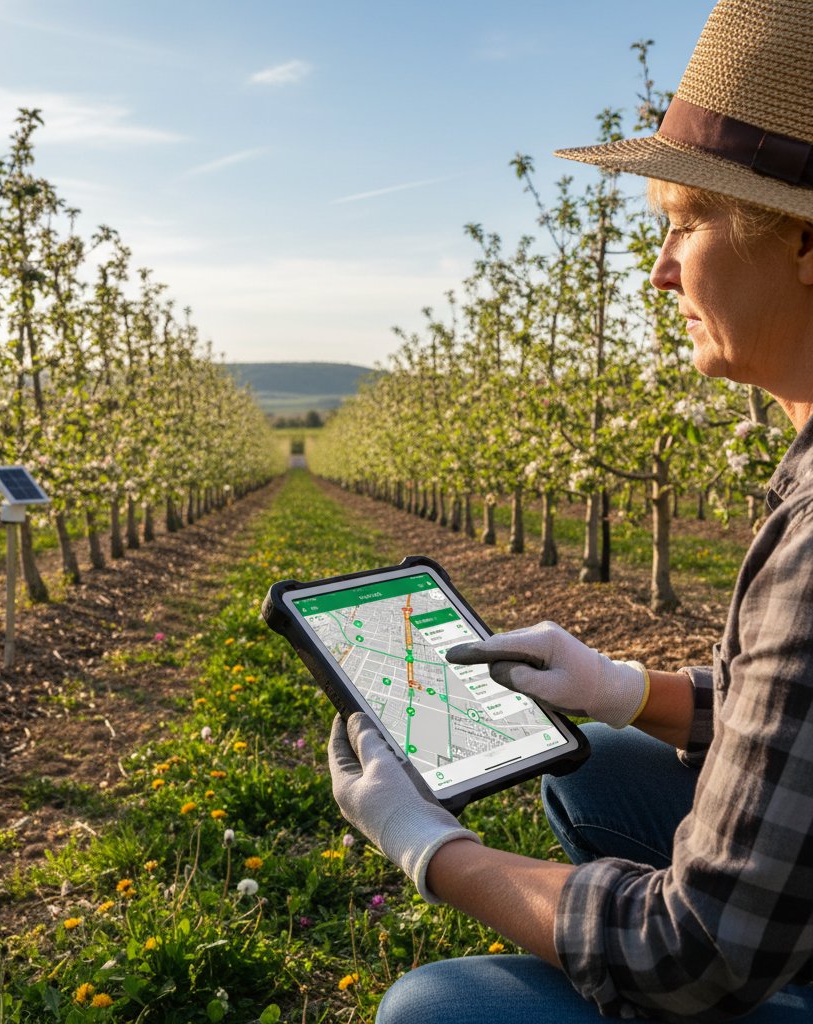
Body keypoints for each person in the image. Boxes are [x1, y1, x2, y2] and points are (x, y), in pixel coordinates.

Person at [327, 1, 813, 1020]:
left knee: (438, 1009)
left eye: (687, 222)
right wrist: (619, 686)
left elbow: (694, 952)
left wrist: (431, 847)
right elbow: (794, 725)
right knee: (596, 770)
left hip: (723, 951)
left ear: (805, 243)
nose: (659, 268)